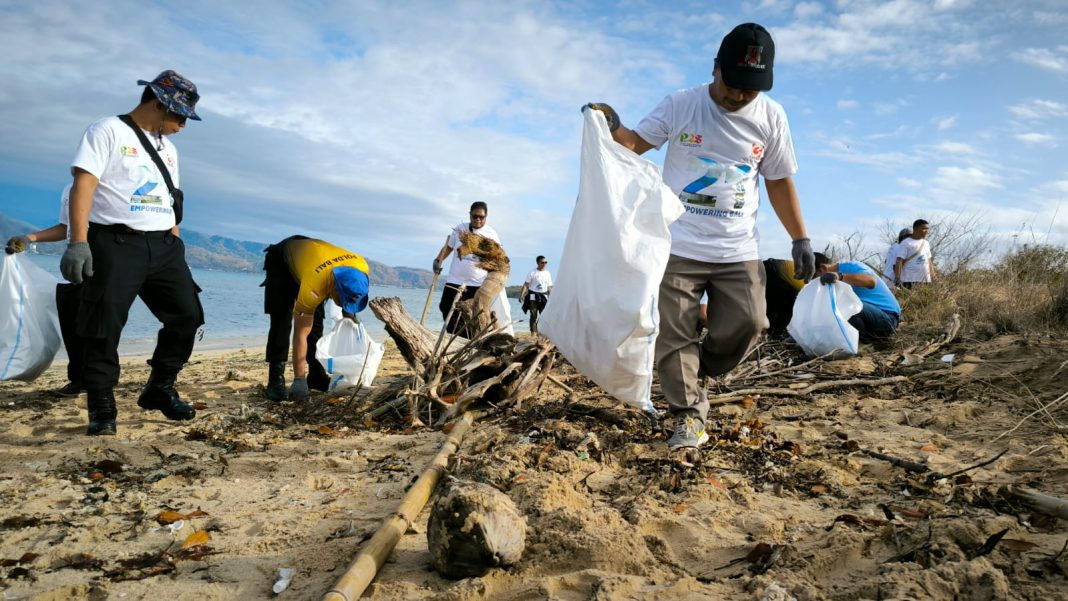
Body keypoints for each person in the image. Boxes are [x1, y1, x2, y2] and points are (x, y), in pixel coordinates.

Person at [586, 23, 814, 451]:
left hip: (738, 248)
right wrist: (612, 123)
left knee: (750, 325)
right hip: (678, 244)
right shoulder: (682, 104)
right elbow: (635, 144)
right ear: (715, 68)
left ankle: (692, 369)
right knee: (675, 332)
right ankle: (688, 415)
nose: (740, 96)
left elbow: (780, 181)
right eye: (734, 85)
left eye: (751, 89)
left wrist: (800, 238)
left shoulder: (771, 117)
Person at [59, 70, 204, 436]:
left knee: (187, 316)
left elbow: (171, 200)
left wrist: (175, 241)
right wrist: (78, 242)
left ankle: (159, 387)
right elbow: (84, 186)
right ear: (157, 103)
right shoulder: (107, 130)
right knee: (103, 328)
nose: (183, 126)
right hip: (115, 243)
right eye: (179, 115)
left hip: (164, 246)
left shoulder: (169, 149)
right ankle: (102, 408)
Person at [261, 236, 371, 401]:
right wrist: (299, 379)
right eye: (341, 301)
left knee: (317, 321)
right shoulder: (316, 283)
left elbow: (352, 290)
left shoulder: (361, 267)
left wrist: (349, 314)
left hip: (314, 262)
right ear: (333, 289)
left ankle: (316, 374)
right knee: (281, 322)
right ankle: (275, 380)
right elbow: (301, 333)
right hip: (282, 262)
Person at [5, 185, 85, 397]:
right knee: (71, 322)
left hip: (105, 266)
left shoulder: (114, 186)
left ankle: (100, 382)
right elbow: (65, 227)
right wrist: (29, 238)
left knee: (96, 327)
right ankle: (79, 380)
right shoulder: (71, 189)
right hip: (74, 266)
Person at [432, 202, 501, 335]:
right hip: (455, 279)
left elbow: (498, 257)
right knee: (445, 306)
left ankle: (467, 338)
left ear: (486, 216)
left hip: (476, 282)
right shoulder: (460, 229)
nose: (478, 220)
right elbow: (449, 247)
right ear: (469, 215)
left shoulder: (491, 233)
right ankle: (454, 335)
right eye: (475, 216)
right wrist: (437, 260)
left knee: (470, 314)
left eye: (481, 217)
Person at [813, 252, 901, 344]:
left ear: (822, 269)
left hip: (888, 318)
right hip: (872, 319)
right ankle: (869, 340)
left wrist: (839, 277)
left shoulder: (851, 267)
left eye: (813, 278)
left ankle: (864, 343)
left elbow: (871, 282)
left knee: (847, 307)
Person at [894, 219, 936, 288]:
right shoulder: (905, 243)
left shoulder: (926, 243)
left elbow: (929, 261)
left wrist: (933, 277)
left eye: (927, 229)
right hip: (909, 280)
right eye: (924, 228)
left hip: (925, 280)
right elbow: (899, 261)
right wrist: (897, 277)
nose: (926, 231)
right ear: (915, 229)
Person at [519, 255, 553, 334]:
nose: (544, 264)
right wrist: (521, 295)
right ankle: (533, 332)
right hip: (533, 295)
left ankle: (541, 330)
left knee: (544, 315)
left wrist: (551, 297)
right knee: (533, 314)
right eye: (542, 262)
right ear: (538, 263)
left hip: (543, 295)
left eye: (546, 262)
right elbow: (526, 285)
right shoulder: (532, 272)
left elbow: (549, 287)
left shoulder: (547, 273)